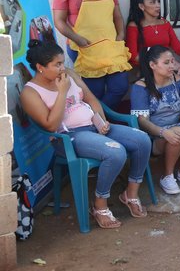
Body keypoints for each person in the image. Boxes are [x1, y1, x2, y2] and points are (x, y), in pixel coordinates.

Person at [20, 40, 151, 228]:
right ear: (40, 67)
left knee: (142, 139)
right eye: (56, 65)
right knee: (116, 152)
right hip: (69, 137)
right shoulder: (30, 93)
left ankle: (130, 193)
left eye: (62, 62)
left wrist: (102, 120)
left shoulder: (69, 74)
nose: (62, 68)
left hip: (94, 126)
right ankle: (99, 205)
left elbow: (90, 98)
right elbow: (50, 125)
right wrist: (62, 92)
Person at [52, 0, 131, 109]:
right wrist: (77, 39)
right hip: (84, 48)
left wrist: (121, 35)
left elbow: (117, 16)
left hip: (110, 46)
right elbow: (59, 21)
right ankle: (99, 123)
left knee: (120, 86)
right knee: (95, 90)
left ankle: (100, 118)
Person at [130, 46, 180, 195]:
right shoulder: (141, 87)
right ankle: (167, 176)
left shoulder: (177, 80)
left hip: (175, 127)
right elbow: (142, 121)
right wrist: (163, 132)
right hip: (153, 135)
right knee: (179, 131)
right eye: (166, 63)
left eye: (173, 61)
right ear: (152, 65)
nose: (172, 66)